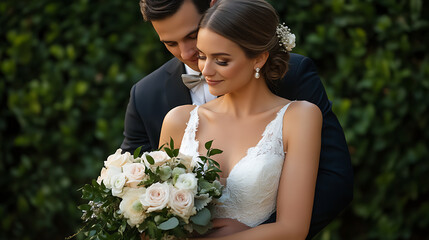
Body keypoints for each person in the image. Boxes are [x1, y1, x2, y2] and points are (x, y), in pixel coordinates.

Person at [122, 0, 353, 238]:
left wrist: (260, 231)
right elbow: (144, 202)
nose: (200, 66)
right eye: (203, 56)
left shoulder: (298, 112)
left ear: (259, 59)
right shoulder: (173, 116)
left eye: (221, 60)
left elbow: (330, 184)